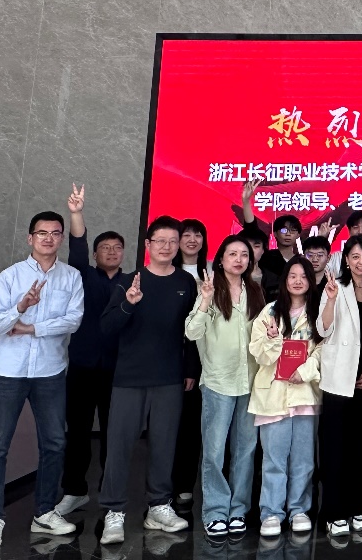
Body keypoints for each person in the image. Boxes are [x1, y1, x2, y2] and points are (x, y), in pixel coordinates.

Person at [0, 210, 84, 550]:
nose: (49, 239)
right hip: (8, 373)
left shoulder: (71, 277)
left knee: (54, 443)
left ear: (62, 238)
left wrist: (30, 328)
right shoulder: (10, 276)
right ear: (30, 238)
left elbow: (73, 321)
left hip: (50, 372)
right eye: (42, 233)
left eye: (55, 233)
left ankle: (44, 512)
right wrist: (20, 307)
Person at [97, 215, 198, 545]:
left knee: (165, 445)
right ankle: (114, 510)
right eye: (161, 241)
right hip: (129, 377)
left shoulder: (186, 282)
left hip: (169, 377)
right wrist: (128, 304)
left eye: (173, 241)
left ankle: (158, 506)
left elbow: (191, 331)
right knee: (119, 446)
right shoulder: (129, 281)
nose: (167, 247)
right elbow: (107, 327)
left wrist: (190, 369)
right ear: (148, 245)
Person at [185, 234, 266, 539]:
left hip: (250, 381)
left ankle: (238, 510)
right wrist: (205, 300)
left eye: (244, 255)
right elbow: (192, 332)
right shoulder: (209, 289)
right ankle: (215, 511)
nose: (239, 259)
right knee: (215, 451)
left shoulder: (255, 291)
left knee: (245, 450)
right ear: (221, 259)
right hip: (218, 381)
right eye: (232, 254)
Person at [56, 186, 124, 517]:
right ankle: (74, 491)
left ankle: (111, 496)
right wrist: (76, 213)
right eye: (105, 248)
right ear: (96, 254)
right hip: (83, 367)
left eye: (117, 248)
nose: (111, 252)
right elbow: (78, 247)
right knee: (78, 432)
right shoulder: (82, 275)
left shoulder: (134, 282)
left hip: (118, 370)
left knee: (114, 435)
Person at [249, 256, 323, 538]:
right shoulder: (269, 312)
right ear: (284, 280)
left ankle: (299, 510)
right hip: (273, 395)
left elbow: (323, 349)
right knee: (274, 459)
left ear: (310, 281)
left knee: (304, 459)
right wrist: (271, 339)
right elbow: (259, 354)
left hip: (304, 394)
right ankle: (271, 512)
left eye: (303, 276)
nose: (297, 281)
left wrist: (305, 371)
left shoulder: (317, 313)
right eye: (292, 275)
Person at [318, 235, 362, 537]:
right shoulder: (336, 287)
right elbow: (322, 329)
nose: (361, 262)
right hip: (339, 379)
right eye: (355, 256)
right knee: (334, 449)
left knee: (360, 449)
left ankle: (356, 507)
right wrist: (330, 300)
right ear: (346, 260)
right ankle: (333, 511)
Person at [172, 219, 210, 507]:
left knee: (189, 427)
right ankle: (161, 489)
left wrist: (192, 368)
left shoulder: (211, 273)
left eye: (198, 234)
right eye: (187, 234)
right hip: (166, 356)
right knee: (165, 427)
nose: (192, 239)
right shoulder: (166, 270)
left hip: (197, 360)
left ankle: (184, 484)